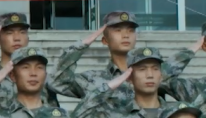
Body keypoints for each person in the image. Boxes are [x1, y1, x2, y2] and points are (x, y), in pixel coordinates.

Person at [72, 47, 189, 118]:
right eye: (142, 69)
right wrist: (108, 87)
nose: (150, 75)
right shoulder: (113, 115)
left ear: (161, 75)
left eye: (155, 69)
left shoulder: (176, 114)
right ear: (129, 76)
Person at [51, 10, 197, 102]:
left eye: (130, 30)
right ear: (105, 40)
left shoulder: (152, 73)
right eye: (118, 30)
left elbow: (172, 65)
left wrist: (195, 47)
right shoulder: (93, 79)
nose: (126, 35)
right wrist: (81, 45)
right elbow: (57, 81)